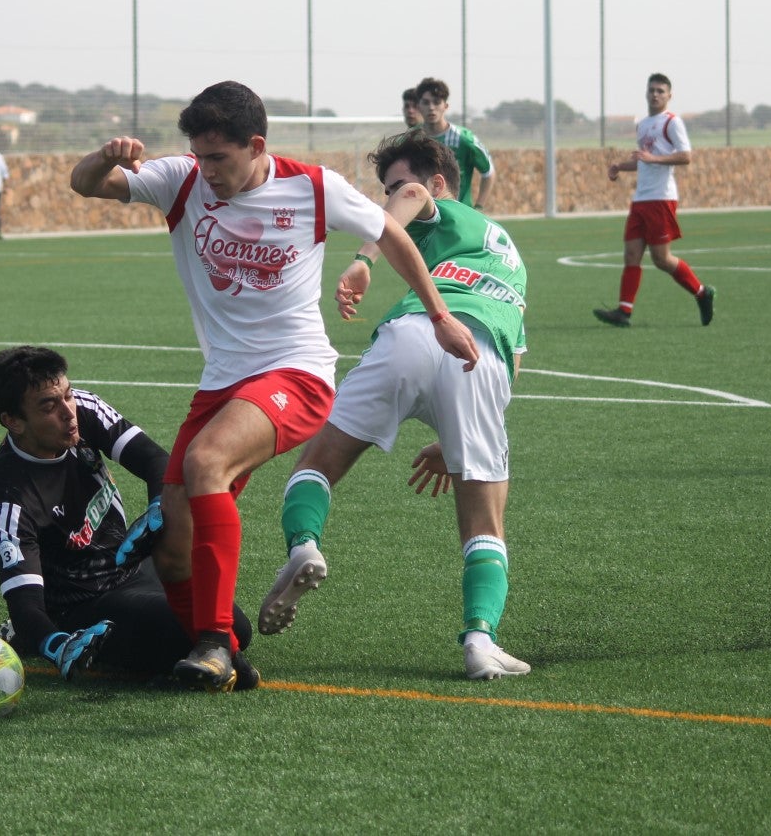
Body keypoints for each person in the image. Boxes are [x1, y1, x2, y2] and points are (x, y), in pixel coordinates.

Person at [70, 80, 479, 692]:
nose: (206, 171)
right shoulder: (182, 179)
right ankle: (230, 654)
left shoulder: (311, 187)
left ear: (255, 145)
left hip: (297, 374)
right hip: (221, 384)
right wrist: (106, 156)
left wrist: (441, 317)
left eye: (219, 158)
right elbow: (86, 184)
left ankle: (210, 641)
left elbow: (394, 233)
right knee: (173, 544)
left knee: (208, 461)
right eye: (199, 156)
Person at [258, 129, 530, 680]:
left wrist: (364, 260)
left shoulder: (437, 204)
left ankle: (304, 545)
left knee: (317, 465)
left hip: (414, 332)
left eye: (396, 184)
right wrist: (451, 436)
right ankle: (480, 640)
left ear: (437, 182)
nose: (390, 195)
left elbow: (405, 204)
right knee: (485, 524)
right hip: (482, 358)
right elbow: (514, 356)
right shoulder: (509, 253)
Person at [0, 345, 259, 685]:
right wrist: (55, 644)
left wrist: (158, 507)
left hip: (131, 566)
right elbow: (23, 604)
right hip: (85, 602)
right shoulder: (8, 495)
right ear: (13, 421)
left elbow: (157, 462)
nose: (68, 412)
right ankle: (51, 635)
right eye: (48, 407)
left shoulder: (84, 410)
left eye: (67, 395)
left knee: (233, 626)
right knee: (208, 635)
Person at [593, 73, 715, 328]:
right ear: (646, 93)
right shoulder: (644, 124)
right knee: (631, 255)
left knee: (661, 259)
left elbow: (685, 156)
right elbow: (643, 159)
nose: (656, 94)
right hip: (641, 201)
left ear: (669, 95)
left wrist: (654, 159)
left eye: (661, 91)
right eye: (652, 90)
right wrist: (620, 166)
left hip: (661, 199)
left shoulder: (672, 122)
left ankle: (702, 293)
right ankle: (623, 312)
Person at [414, 77, 493, 211]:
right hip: (424, 215)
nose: (431, 108)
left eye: (437, 102)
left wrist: (479, 207)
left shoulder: (464, 139)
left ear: (445, 106)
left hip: (459, 214)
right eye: (426, 103)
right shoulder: (412, 139)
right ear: (418, 107)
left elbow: (488, 172)